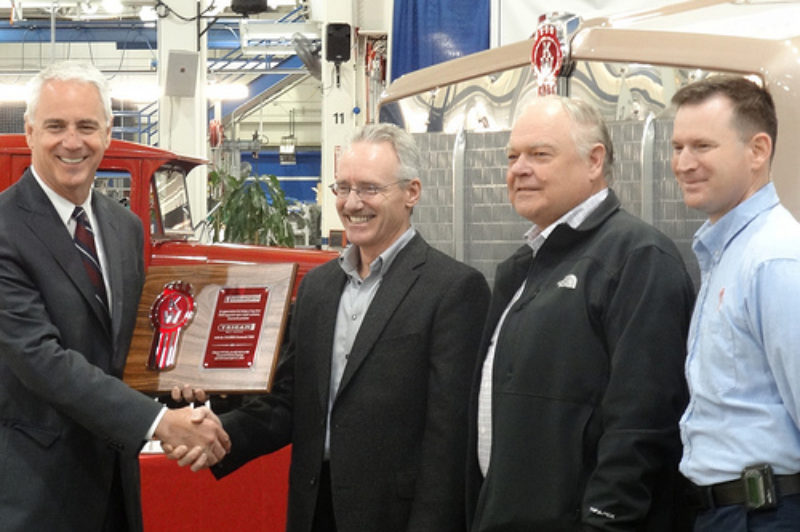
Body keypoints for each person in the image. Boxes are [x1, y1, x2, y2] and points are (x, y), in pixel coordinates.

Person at [169, 122, 491, 532]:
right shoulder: (319, 288)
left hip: (394, 517)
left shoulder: (453, 290)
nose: (352, 203)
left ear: (412, 192)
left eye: (369, 188)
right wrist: (218, 433)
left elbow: (450, 441)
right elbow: (290, 402)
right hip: (314, 508)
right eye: (342, 187)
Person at [0, 61, 230, 532]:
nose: (72, 141)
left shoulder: (123, 227)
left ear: (106, 132)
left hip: (115, 488)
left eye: (86, 126)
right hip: (32, 493)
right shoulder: (4, 229)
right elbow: (41, 360)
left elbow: (132, 349)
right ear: (29, 132)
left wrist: (181, 381)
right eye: (55, 126)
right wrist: (159, 424)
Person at [466, 95, 696, 531]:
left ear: (594, 161)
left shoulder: (638, 258)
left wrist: (605, 521)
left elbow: (642, 422)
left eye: (539, 155)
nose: (518, 169)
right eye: (512, 156)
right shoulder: (520, 268)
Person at [671, 76, 800, 529]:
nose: (683, 163)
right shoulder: (727, 254)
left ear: (758, 151)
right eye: (678, 146)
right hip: (726, 512)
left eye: (702, 146)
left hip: (767, 514)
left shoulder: (775, 259)